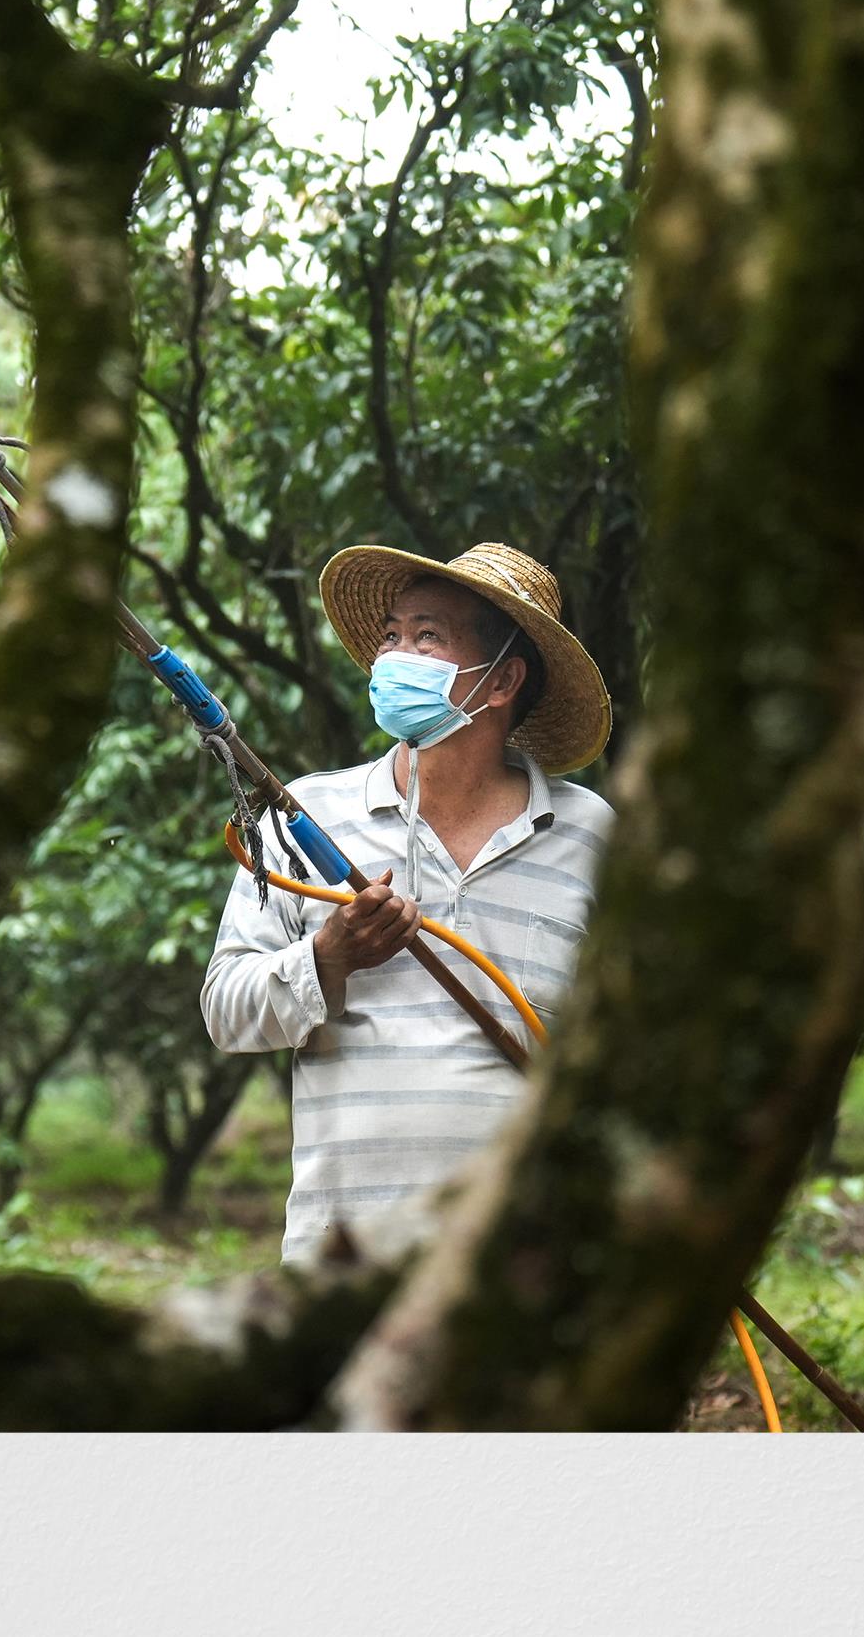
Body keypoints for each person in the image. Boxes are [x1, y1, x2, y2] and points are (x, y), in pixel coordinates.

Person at [199, 540, 616, 1266]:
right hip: (344, 1263)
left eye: (428, 637)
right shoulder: (303, 819)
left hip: (519, 1271)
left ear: (501, 680)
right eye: (392, 635)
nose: (395, 656)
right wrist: (329, 956)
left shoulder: (592, 838)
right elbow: (226, 1012)